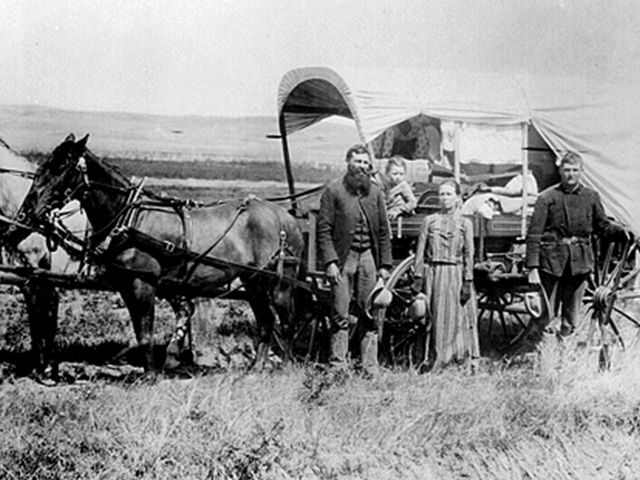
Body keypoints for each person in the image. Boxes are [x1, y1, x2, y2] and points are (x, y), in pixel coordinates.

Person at [526, 152, 633, 337]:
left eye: (575, 170)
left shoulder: (591, 197)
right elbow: (534, 234)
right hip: (552, 262)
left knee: (572, 316)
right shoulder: (547, 198)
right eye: (567, 170)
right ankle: (546, 353)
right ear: (560, 171)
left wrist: (621, 231)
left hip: (579, 263)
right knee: (546, 314)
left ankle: (565, 349)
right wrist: (533, 268)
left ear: (581, 172)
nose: (570, 174)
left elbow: (602, 227)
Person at [317, 144, 392, 375]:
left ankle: (369, 366)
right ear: (348, 162)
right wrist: (330, 261)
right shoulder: (333, 190)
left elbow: (382, 231)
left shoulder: (375, 192)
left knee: (369, 313)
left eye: (365, 163)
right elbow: (324, 229)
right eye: (357, 161)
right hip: (343, 259)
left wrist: (385, 265)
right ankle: (338, 365)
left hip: (368, 257)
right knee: (340, 313)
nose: (361, 166)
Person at [412, 180, 480, 370]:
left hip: (456, 274)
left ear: (457, 197)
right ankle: (434, 359)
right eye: (441, 194)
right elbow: (420, 251)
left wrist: (468, 281)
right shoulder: (429, 221)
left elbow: (469, 254)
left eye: (449, 194)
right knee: (436, 317)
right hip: (435, 274)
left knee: (459, 317)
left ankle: (459, 358)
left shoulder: (465, 223)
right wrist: (418, 277)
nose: (444, 198)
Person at [381, 156, 418, 221]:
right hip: (389, 213)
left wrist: (399, 210)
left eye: (401, 174)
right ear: (387, 173)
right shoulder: (386, 185)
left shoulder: (403, 185)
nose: (398, 177)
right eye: (395, 174)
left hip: (402, 214)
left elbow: (413, 202)